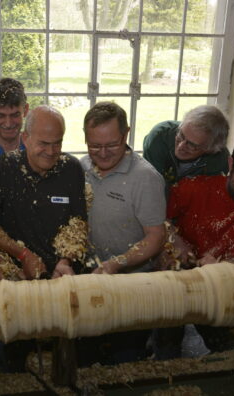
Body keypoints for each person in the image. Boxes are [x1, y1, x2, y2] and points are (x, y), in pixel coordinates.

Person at [0, 105, 87, 371]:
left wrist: (66, 261)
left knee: (65, 359)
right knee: (15, 359)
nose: (51, 151)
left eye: (57, 143)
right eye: (43, 143)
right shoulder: (7, 167)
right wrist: (22, 255)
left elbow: (78, 224)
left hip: (61, 279)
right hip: (17, 280)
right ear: (25, 138)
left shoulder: (71, 168)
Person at [156, 135, 234, 358]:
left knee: (227, 353)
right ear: (231, 164)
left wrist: (225, 267)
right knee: (167, 346)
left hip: (228, 287)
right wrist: (175, 242)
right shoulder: (193, 188)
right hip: (182, 277)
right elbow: (158, 222)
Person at [78, 101, 166, 365]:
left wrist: (116, 264)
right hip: (89, 278)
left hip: (132, 285)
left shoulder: (145, 178)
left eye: (112, 145)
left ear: (126, 134)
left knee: (124, 361)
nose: (103, 154)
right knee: (85, 356)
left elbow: (155, 236)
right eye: (94, 146)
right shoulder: (81, 168)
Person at [142, 105, 230, 189]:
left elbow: (206, 198)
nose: (181, 146)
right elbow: (149, 187)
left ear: (210, 150)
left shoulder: (220, 161)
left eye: (192, 145)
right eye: (181, 135)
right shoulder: (159, 138)